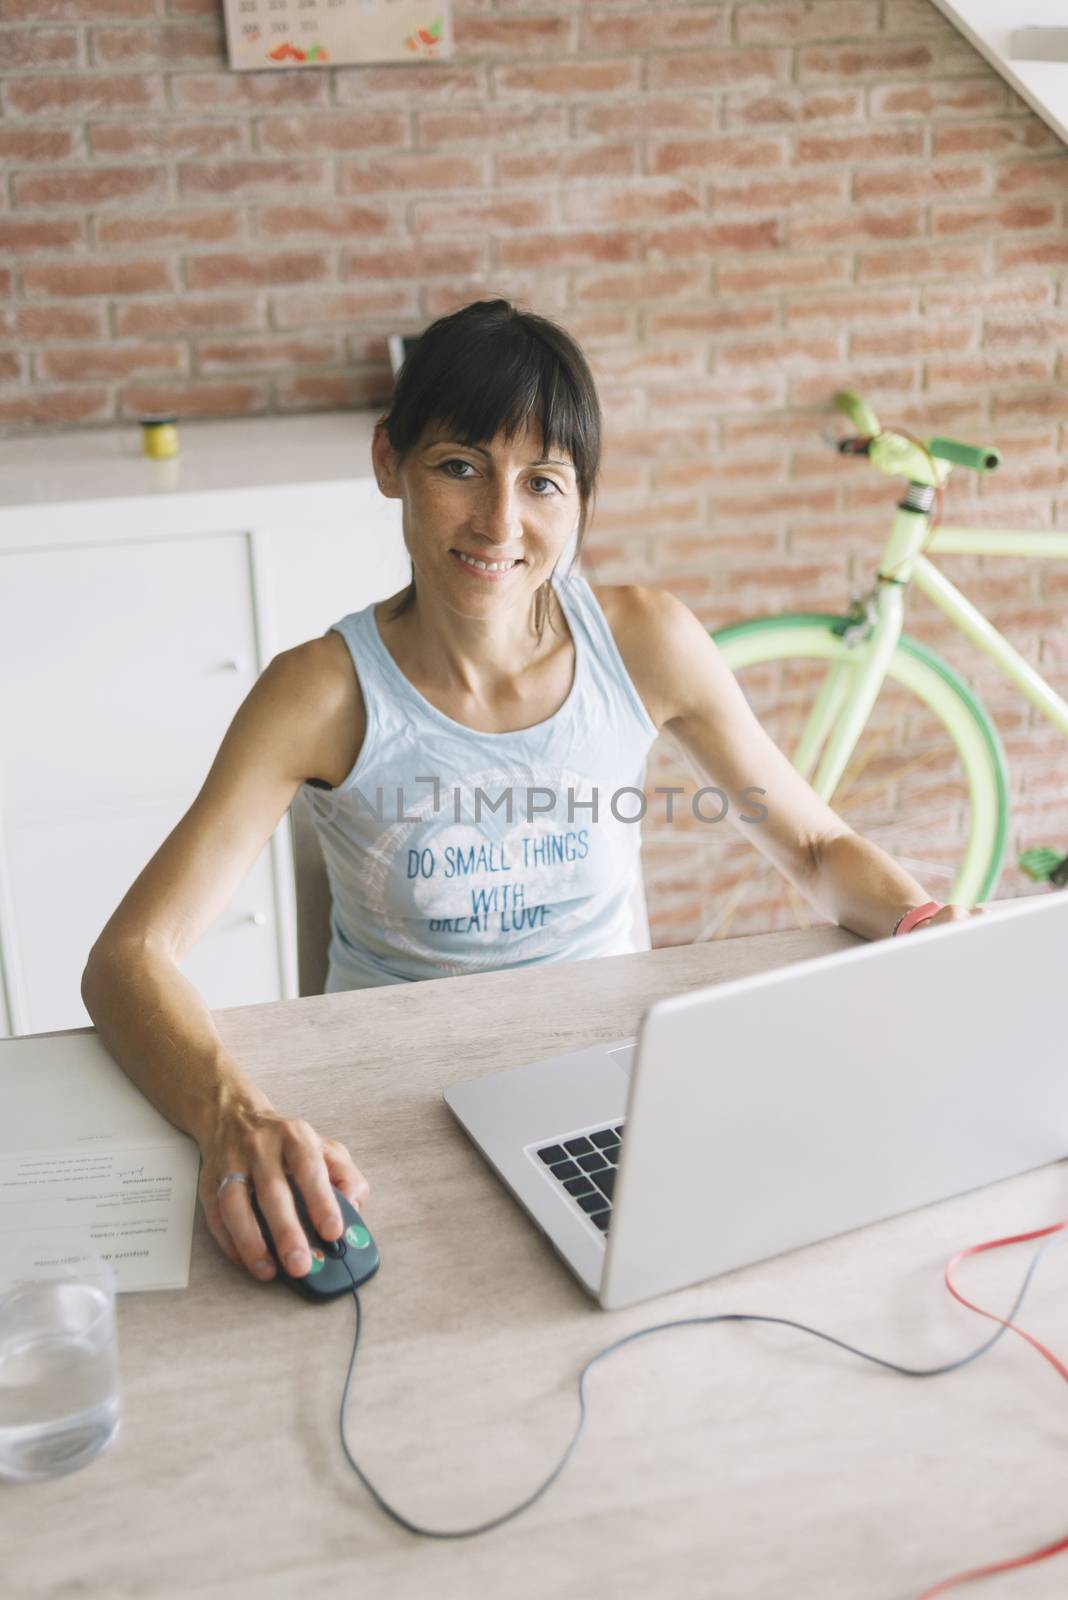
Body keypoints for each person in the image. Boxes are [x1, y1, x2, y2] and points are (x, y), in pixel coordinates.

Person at [80, 298, 981, 1288]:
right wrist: (231, 1113)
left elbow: (813, 849)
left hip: (611, 1089)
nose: (501, 522)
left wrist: (925, 925)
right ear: (391, 464)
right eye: (460, 465)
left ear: (582, 501)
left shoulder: (645, 643)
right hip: (388, 1129)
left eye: (543, 482)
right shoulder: (318, 692)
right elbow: (131, 957)